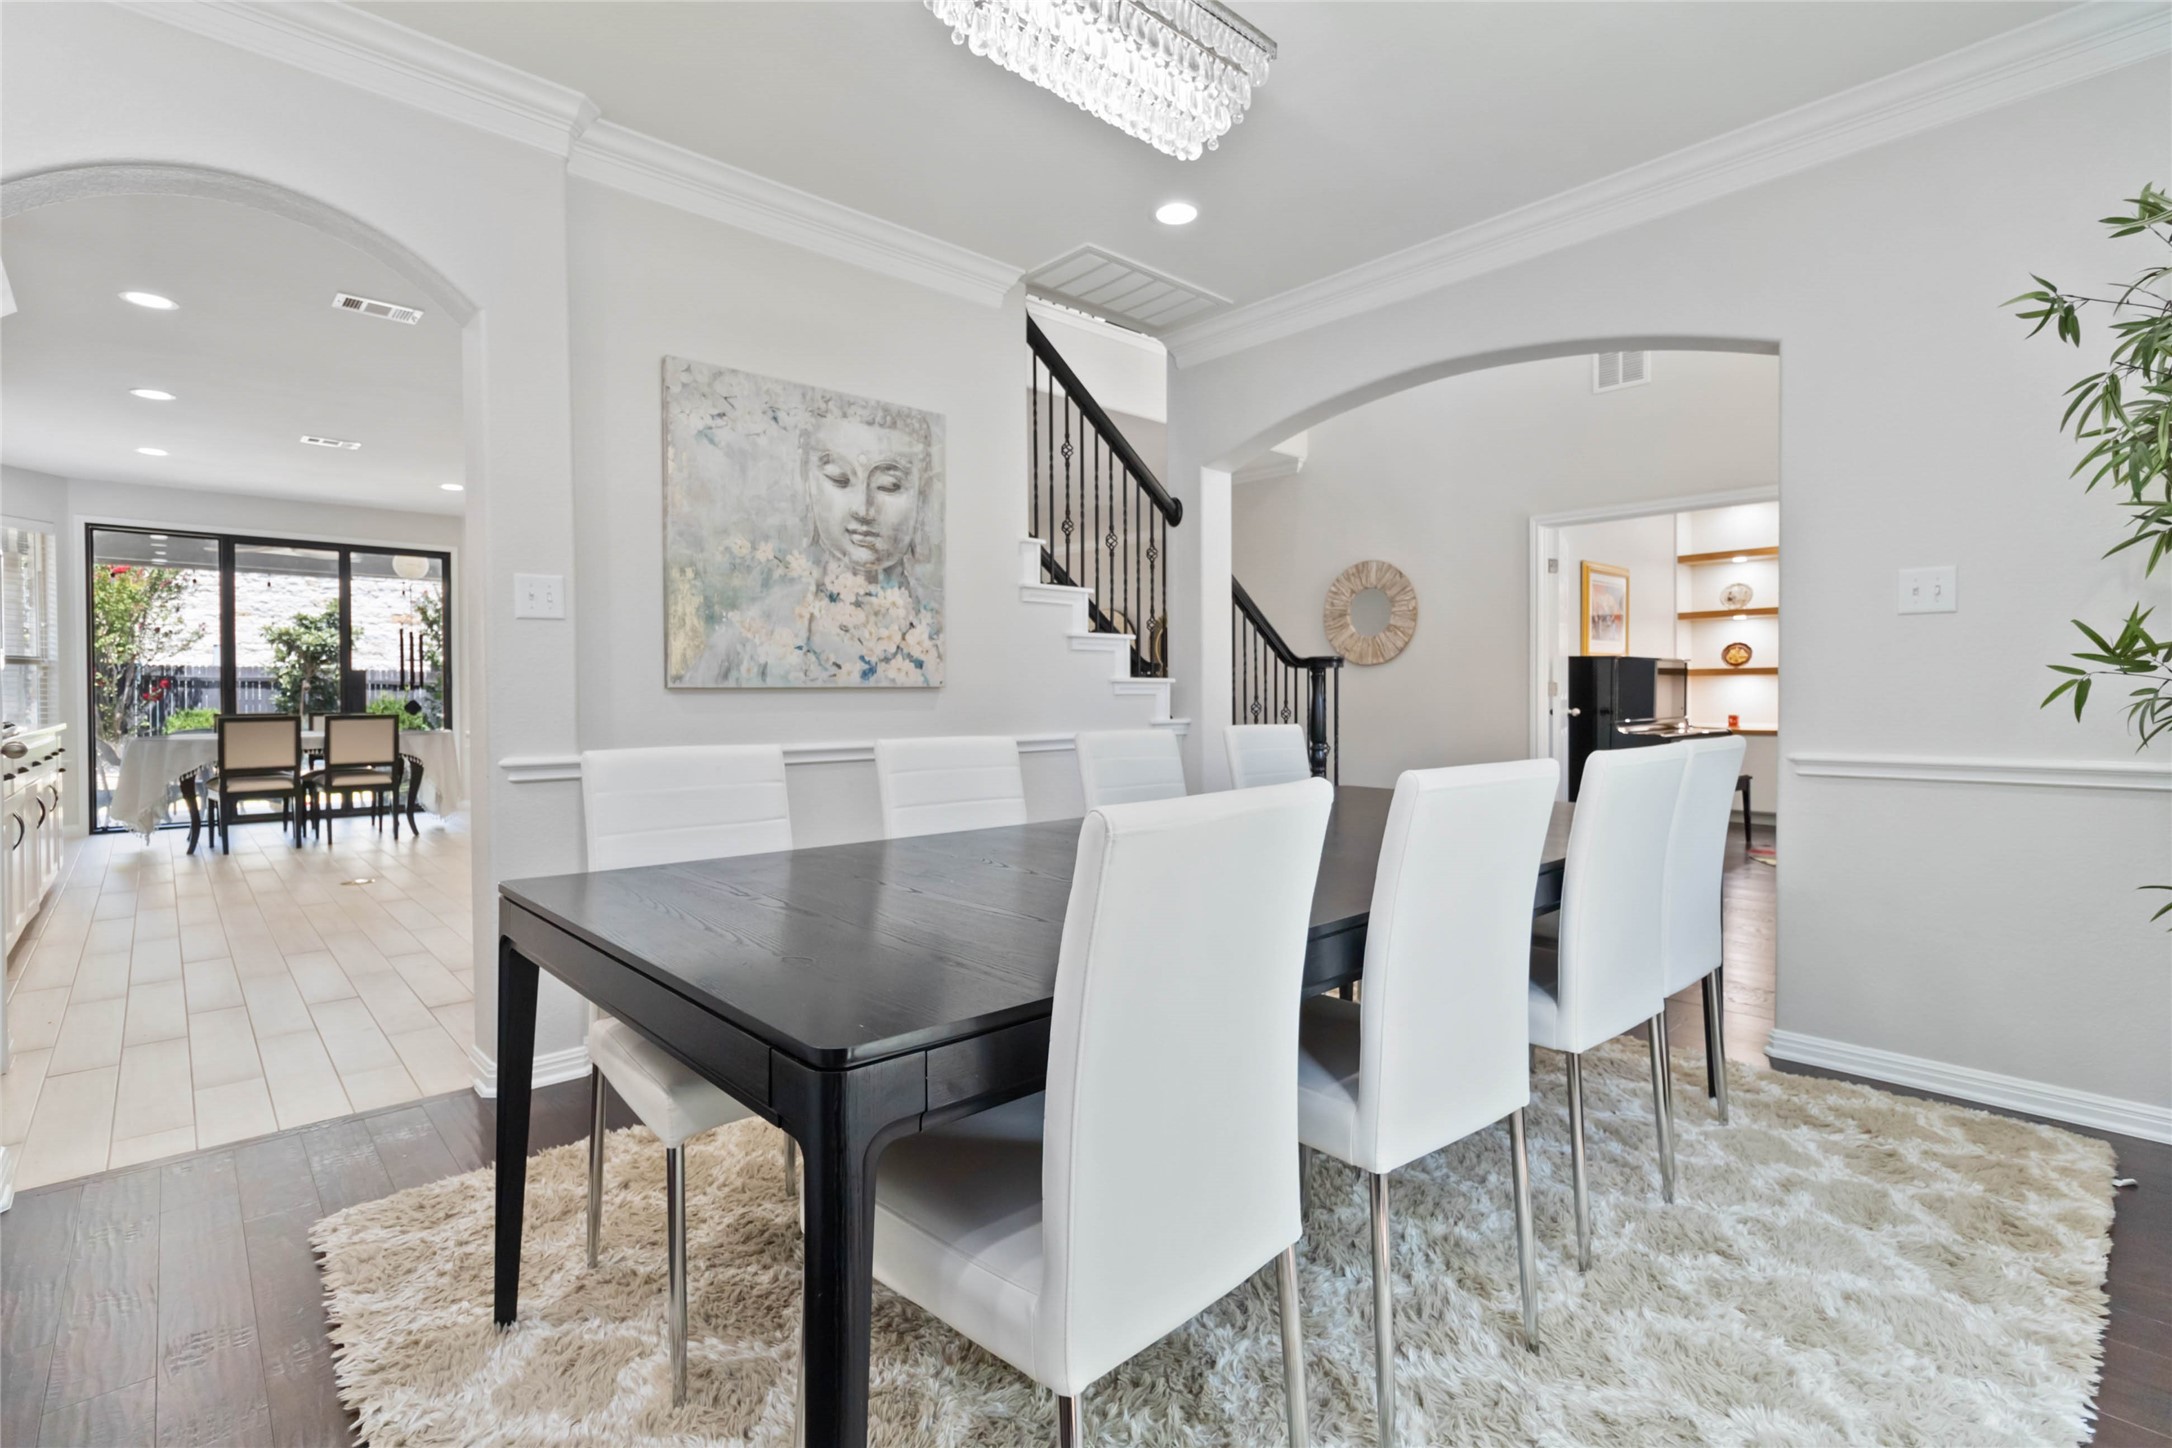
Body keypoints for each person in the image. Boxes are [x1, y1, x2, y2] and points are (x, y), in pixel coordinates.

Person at [679, 401, 943, 687]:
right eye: (839, 479)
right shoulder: (755, 633)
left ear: (923, 494)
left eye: (889, 485)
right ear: (807, 483)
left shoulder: (941, 628)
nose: (864, 509)